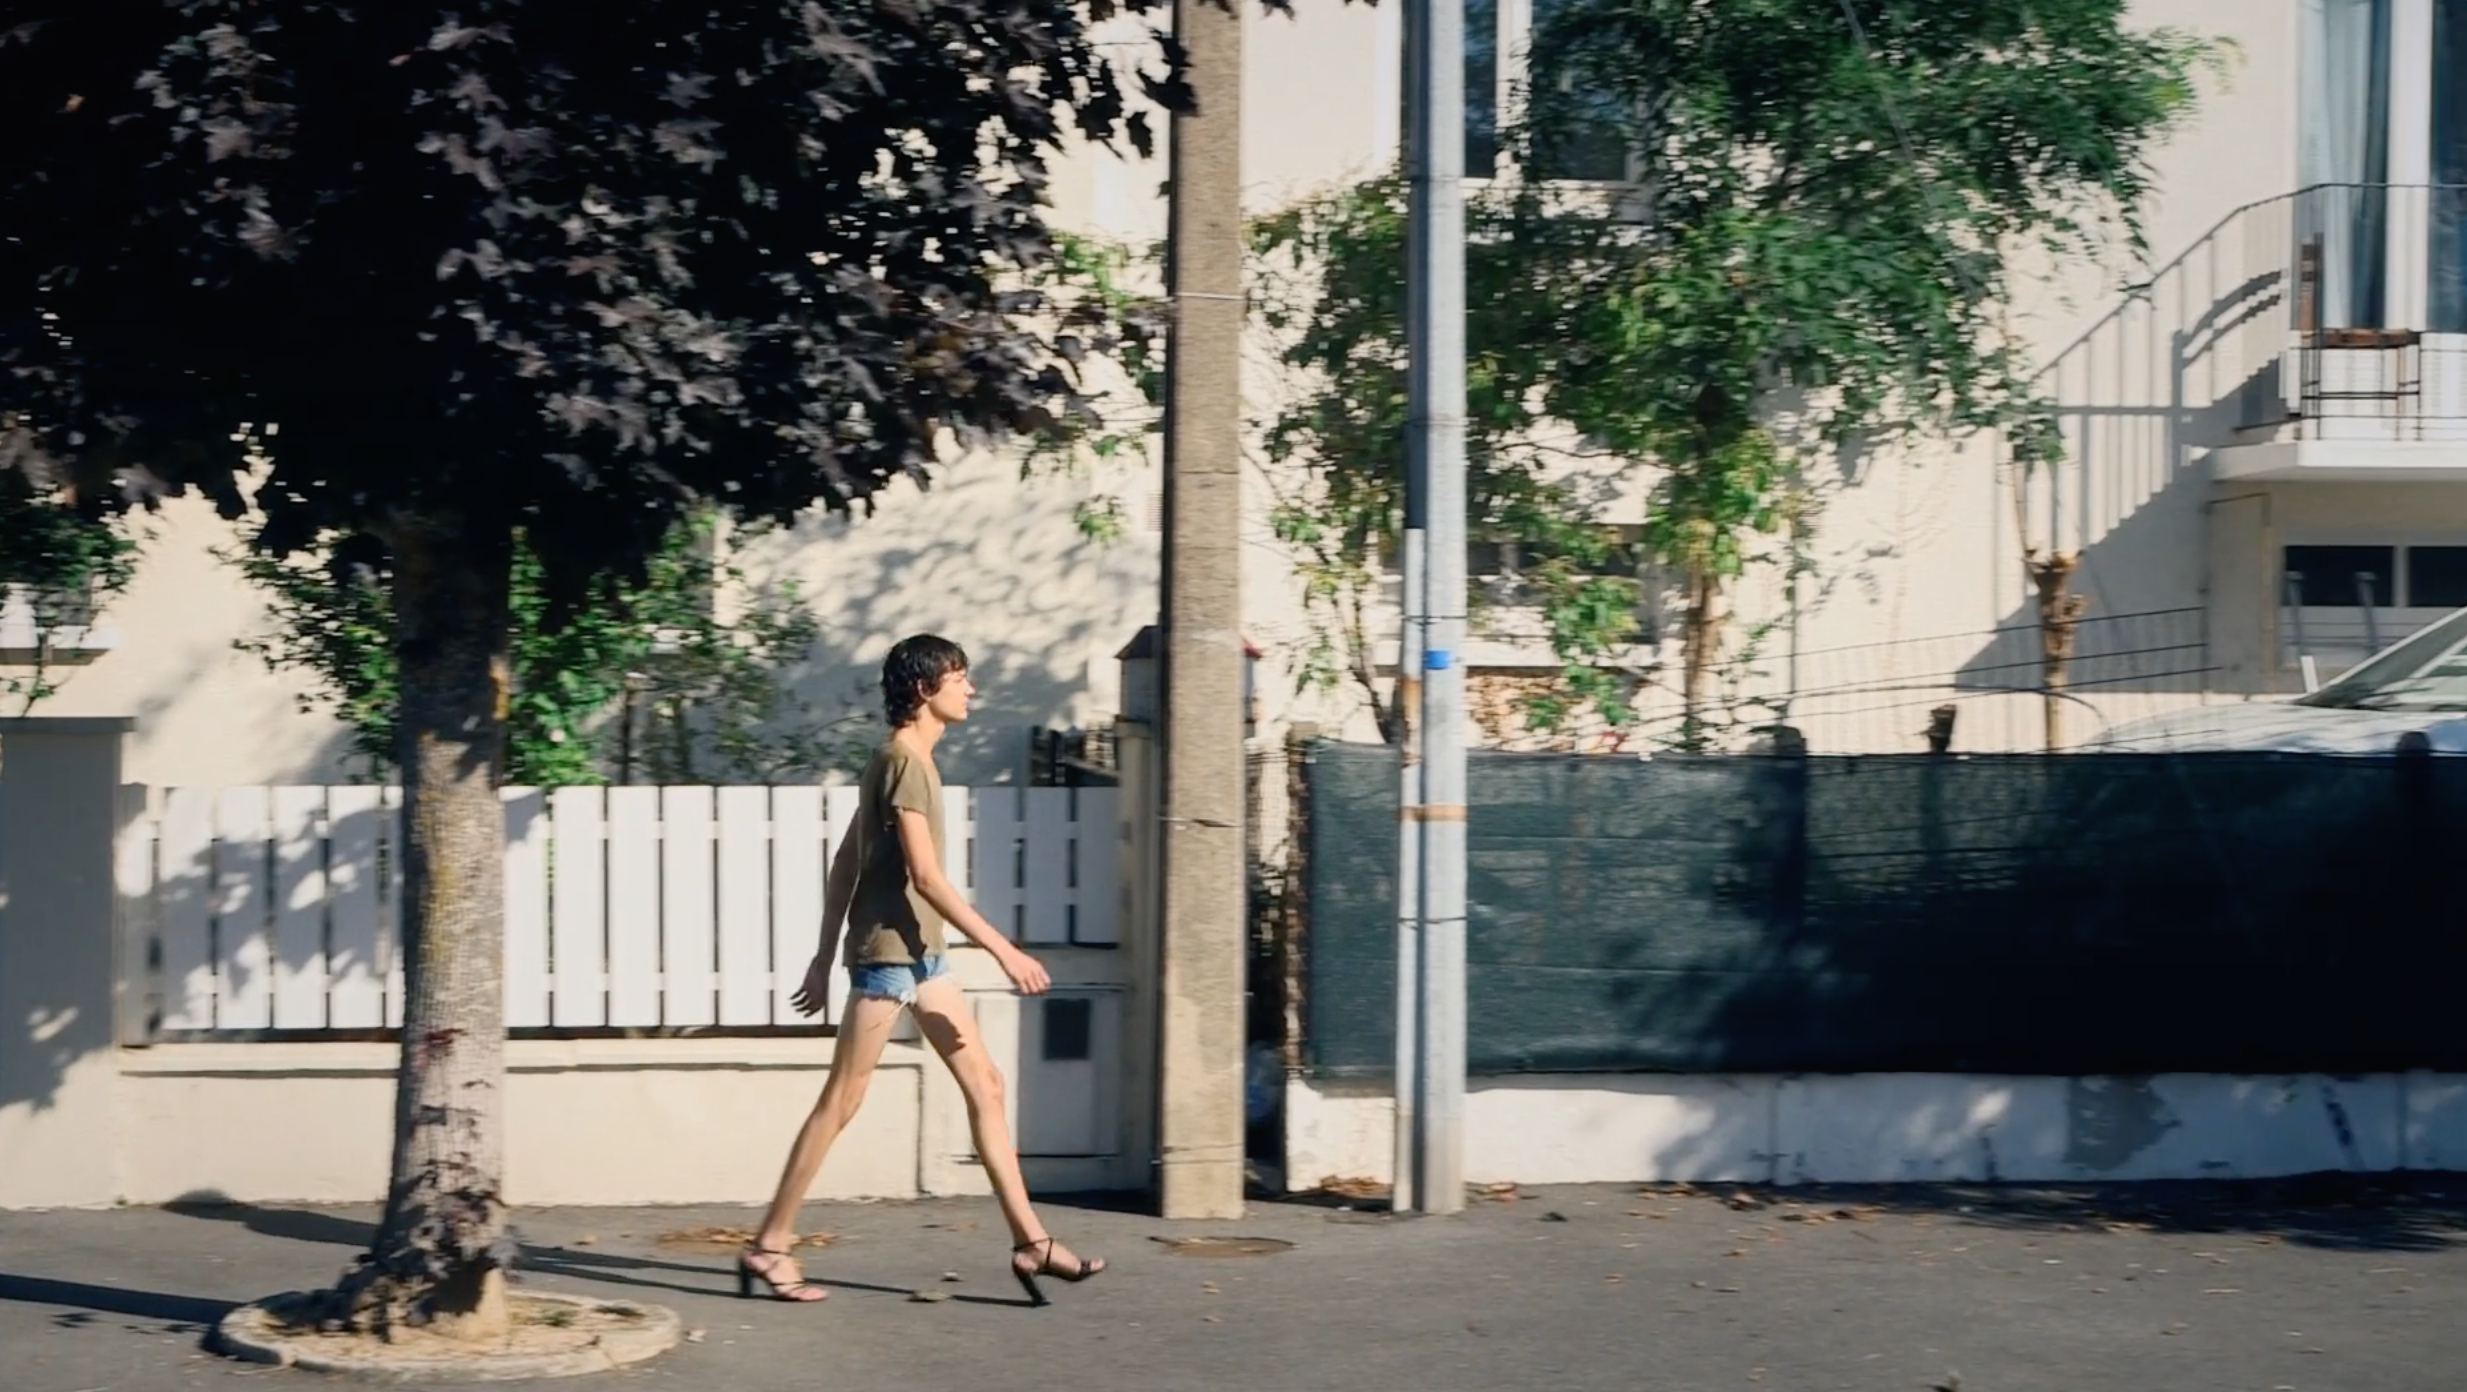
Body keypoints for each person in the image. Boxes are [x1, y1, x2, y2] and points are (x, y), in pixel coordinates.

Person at [738, 634, 1107, 1308]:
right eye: (959, 677)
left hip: (923, 959)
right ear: (922, 689)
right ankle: (769, 1245)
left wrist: (822, 956)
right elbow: (927, 878)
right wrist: (1005, 950)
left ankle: (1030, 1241)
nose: (970, 689)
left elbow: (846, 862)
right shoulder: (903, 763)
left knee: (986, 1085)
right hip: (890, 962)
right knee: (840, 1103)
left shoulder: (898, 760)